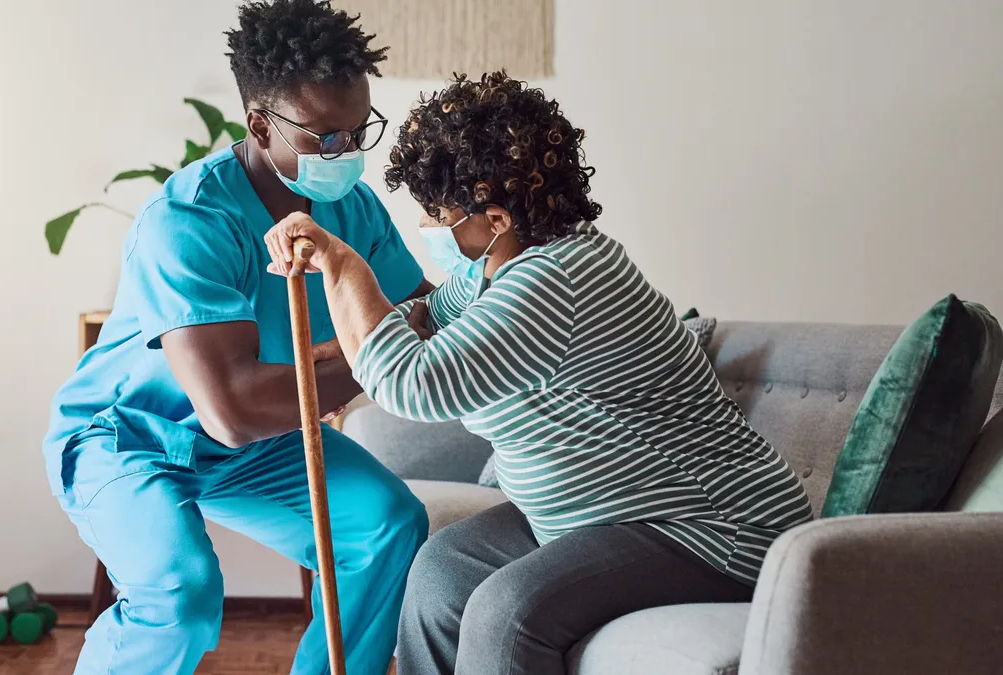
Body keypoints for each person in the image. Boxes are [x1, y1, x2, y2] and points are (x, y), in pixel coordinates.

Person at [264, 71, 814, 675]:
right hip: (599, 518)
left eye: (440, 212)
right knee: (441, 571)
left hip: (709, 528)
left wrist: (345, 268)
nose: (430, 226)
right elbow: (426, 319)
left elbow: (413, 384)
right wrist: (336, 350)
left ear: (496, 218)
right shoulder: (498, 269)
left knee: (508, 613)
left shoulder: (556, 278)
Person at [42, 2, 434, 673]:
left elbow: (421, 309)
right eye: (323, 138)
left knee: (387, 525)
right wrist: (377, 359)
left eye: (358, 130)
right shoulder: (191, 218)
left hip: (254, 448)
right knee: (183, 595)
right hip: (129, 436)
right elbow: (233, 408)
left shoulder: (353, 208)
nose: (346, 153)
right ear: (259, 124)